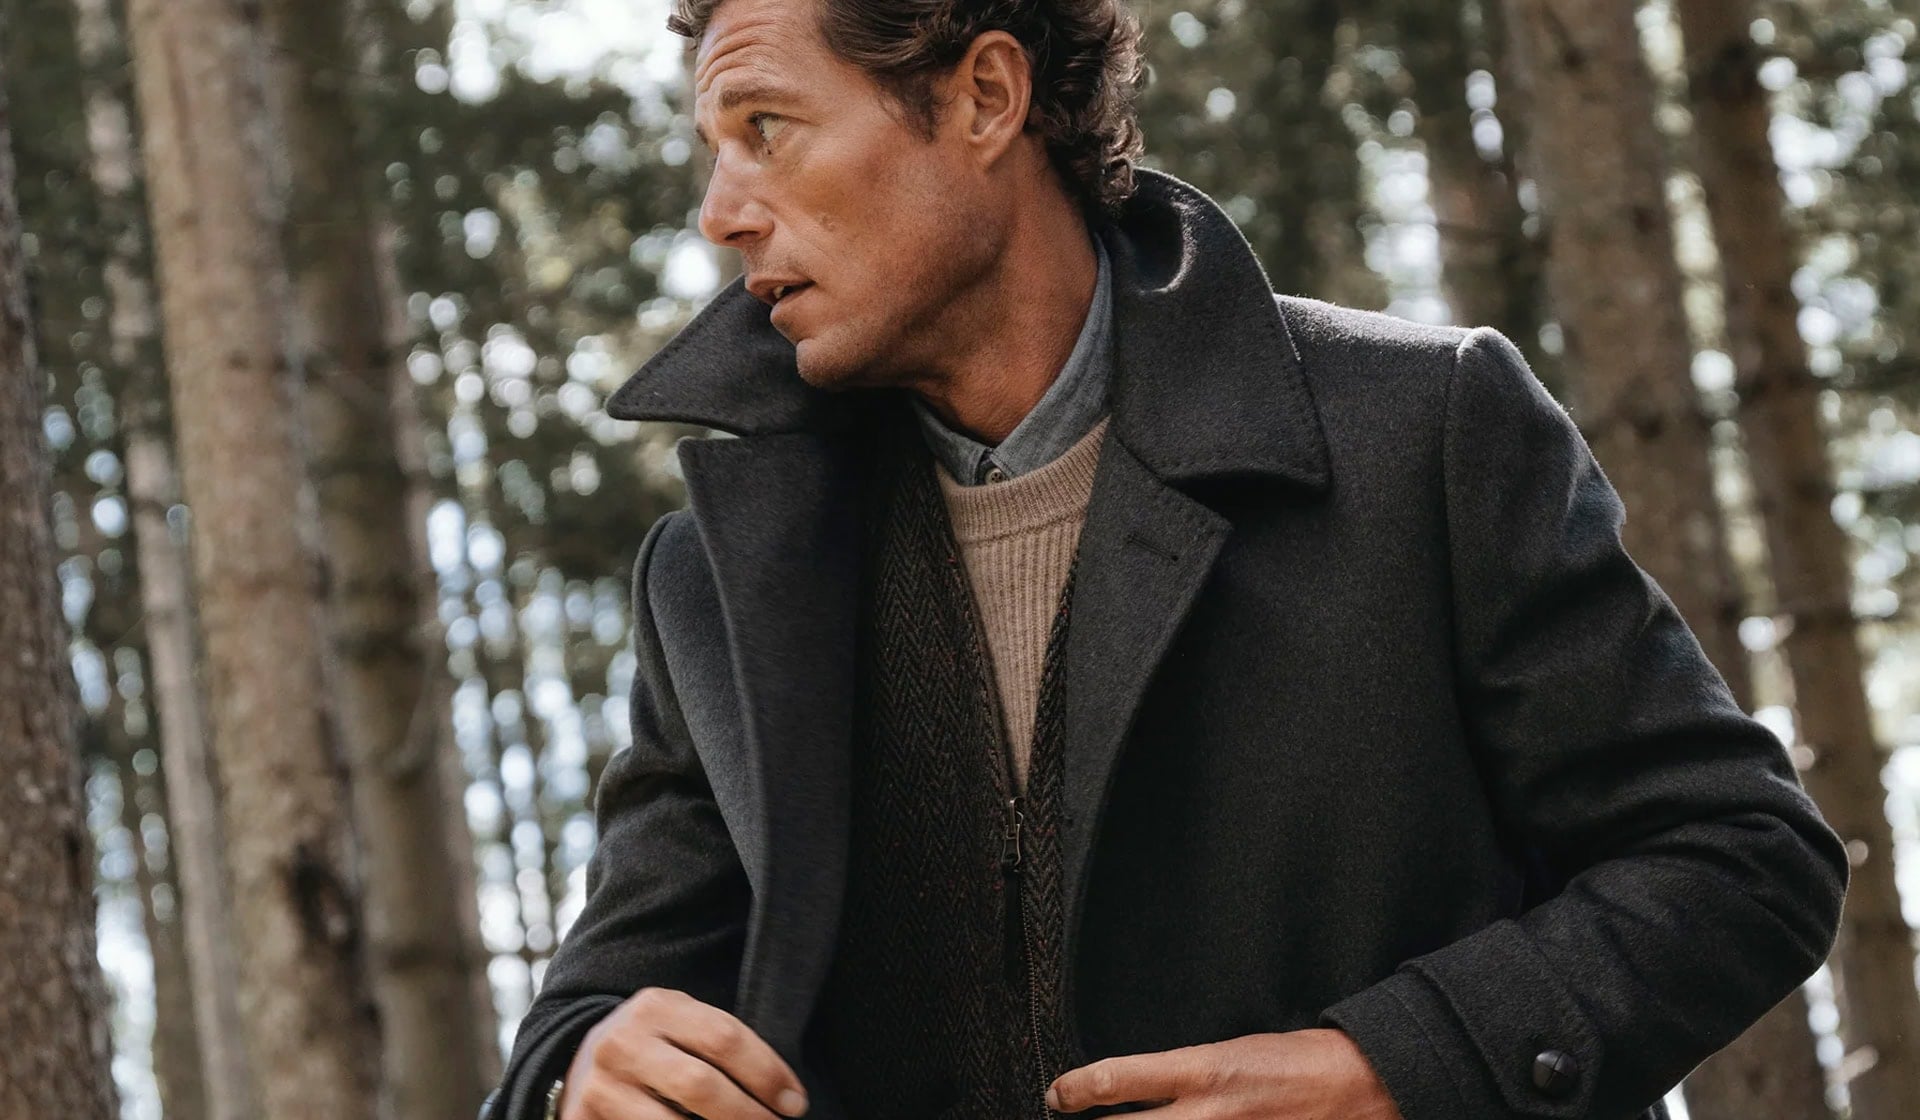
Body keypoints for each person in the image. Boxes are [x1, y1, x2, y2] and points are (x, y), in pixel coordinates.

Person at [484, 1, 1848, 1117]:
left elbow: (1740, 855)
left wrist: (1396, 1069)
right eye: (714, 150)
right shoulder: (716, 577)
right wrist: (580, 1075)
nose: (722, 212)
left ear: (985, 97)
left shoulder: (1423, 432)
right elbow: (593, 1014)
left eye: (766, 130)